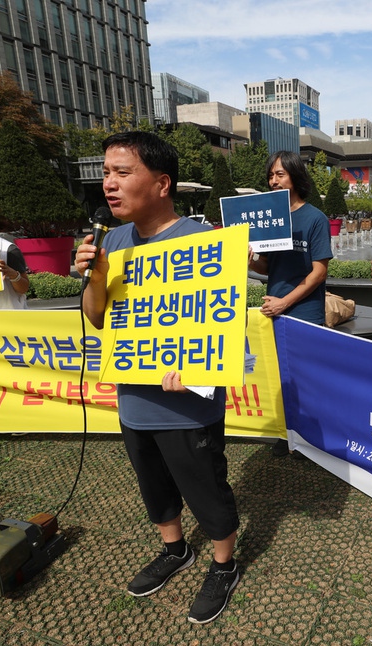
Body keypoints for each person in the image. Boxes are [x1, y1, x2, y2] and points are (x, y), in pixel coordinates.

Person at [75, 131, 240, 625]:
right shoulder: (111, 242)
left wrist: (198, 369)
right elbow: (97, 317)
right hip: (135, 399)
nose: (109, 184)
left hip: (187, 403)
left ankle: (223, 563)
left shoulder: (203, 243)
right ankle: (175, 550)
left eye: (123, 173)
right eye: (106, 173)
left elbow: (220, 328)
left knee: (204, 486)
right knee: (154, 486)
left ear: (162, 183)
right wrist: (96, 277)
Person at [248, 150, 333, 455]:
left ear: (295, 177)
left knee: (306, 380)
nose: (273, 181)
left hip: (304, 312)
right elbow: (267, 268)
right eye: (270, 175)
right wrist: (252, 258)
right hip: (274, 310)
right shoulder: (269, 219)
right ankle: (287, 437)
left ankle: (313, 441)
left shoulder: (315, 218)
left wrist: (285, 302)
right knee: (282, 379)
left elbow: (319, 272)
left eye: (280, 174)